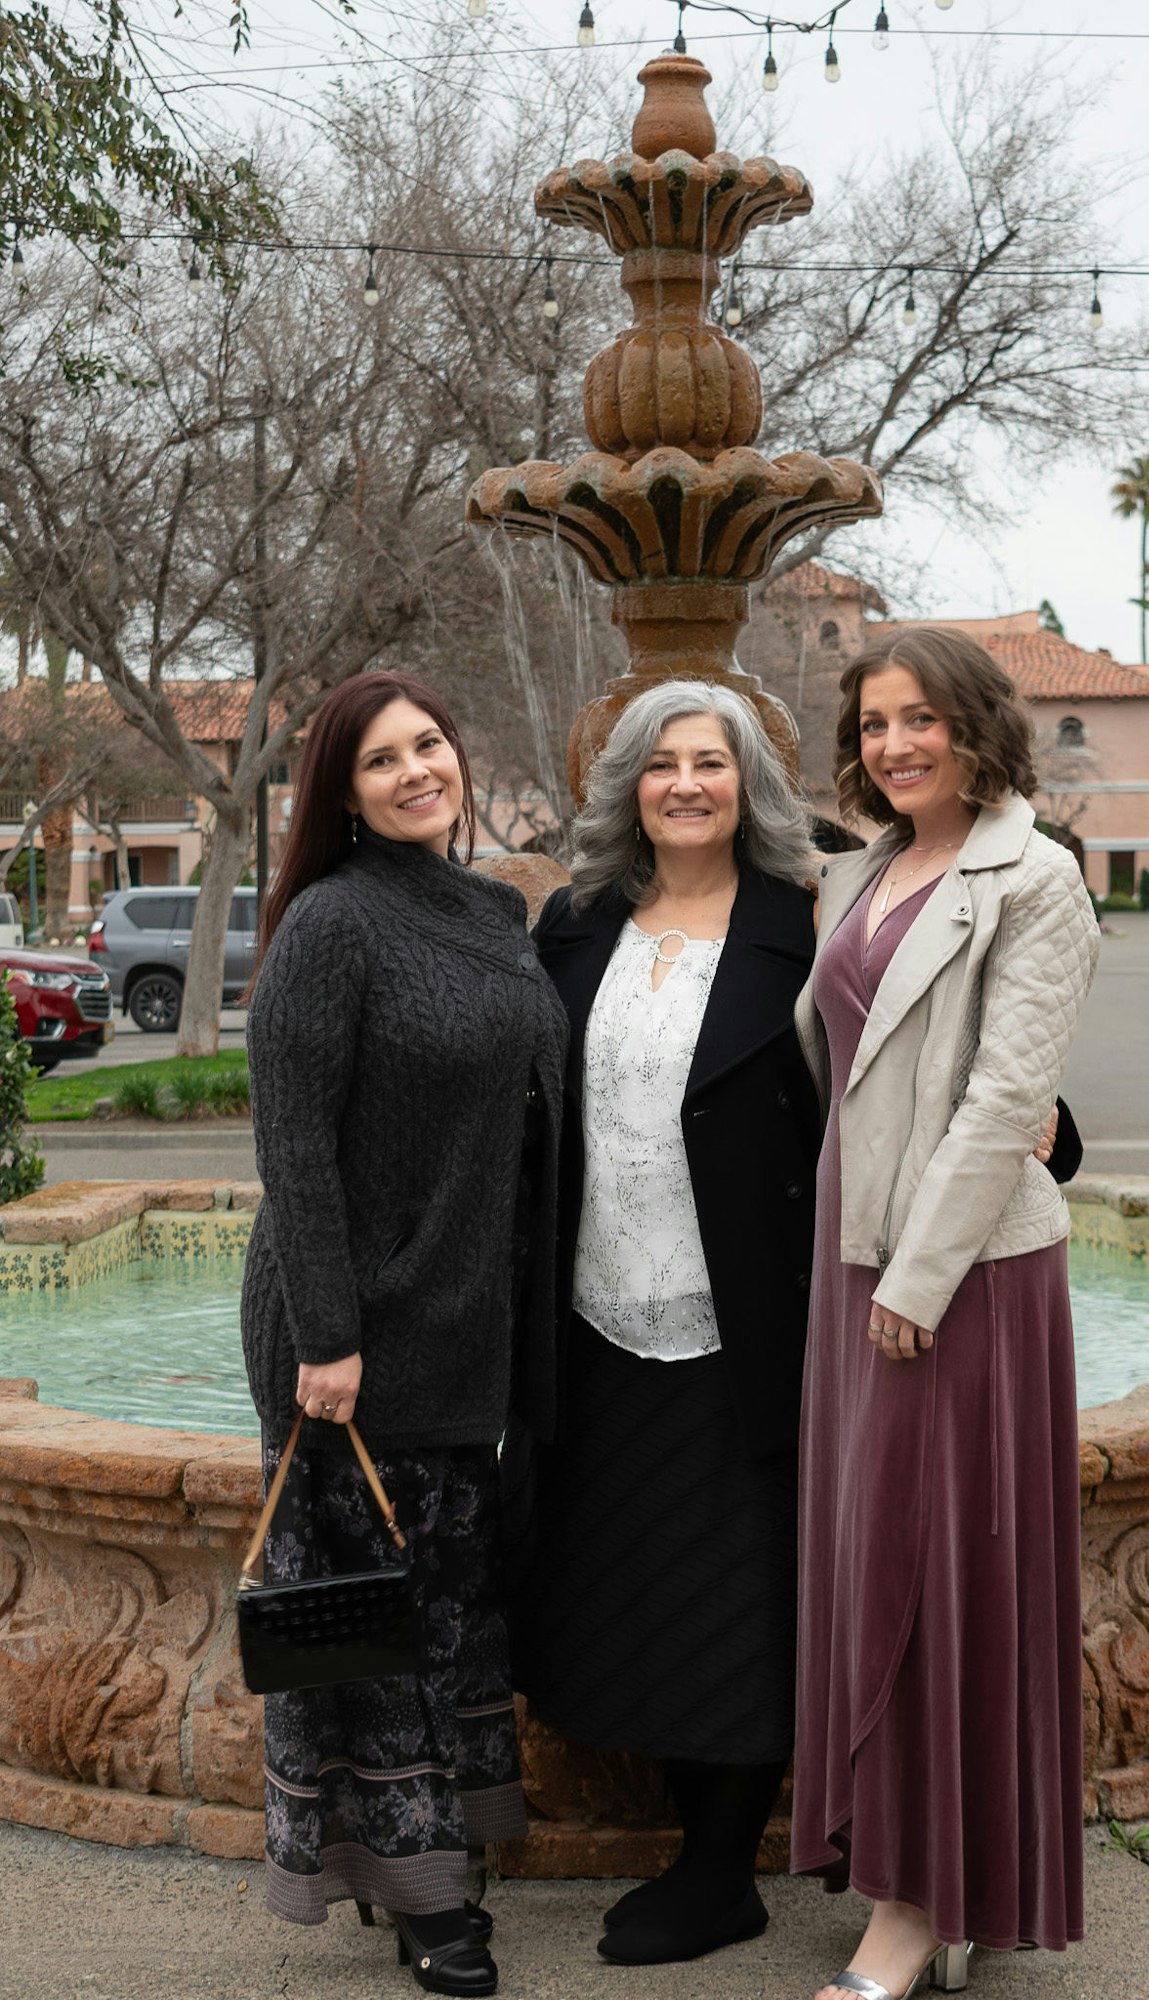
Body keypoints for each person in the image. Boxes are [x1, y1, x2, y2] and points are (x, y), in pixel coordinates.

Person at [241, 670, 567, 1998]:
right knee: (368, 1624)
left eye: (429, 743)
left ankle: (442, 1850)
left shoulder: (493, 910)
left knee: (442, 1607)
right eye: (381, 760)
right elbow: (293, 1146)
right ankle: (425, 1899)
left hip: (459, 1325)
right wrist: (327, 1335)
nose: (416, 771)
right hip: (347, 1338)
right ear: (343, 792)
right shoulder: (329, 924)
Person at [790, 626, 1100, 2000]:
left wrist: (917, 1279)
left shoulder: (1033, 878)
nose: (894, 743)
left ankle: (915, 1911)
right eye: (871, 724)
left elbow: (1000, 1097)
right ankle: (929, 1871)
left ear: (974, 724)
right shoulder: (853, 874)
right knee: (873, 1570)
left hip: (960, 1279)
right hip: (850, 1262)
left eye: (919, 718)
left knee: (934, 1578)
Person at [503, 680, 825, 1968]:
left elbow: (913, 1058)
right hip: (594, 1312)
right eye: (661, 764)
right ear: (627, 785)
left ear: (751, 785)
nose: (685, 784)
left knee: (743, 1588)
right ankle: (686, 1843)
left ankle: (719, 1870)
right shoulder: (576, 924)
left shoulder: (807, 925)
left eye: (713, 762)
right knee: (631, 1579)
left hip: (748, 1315)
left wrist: (1046, 1127)